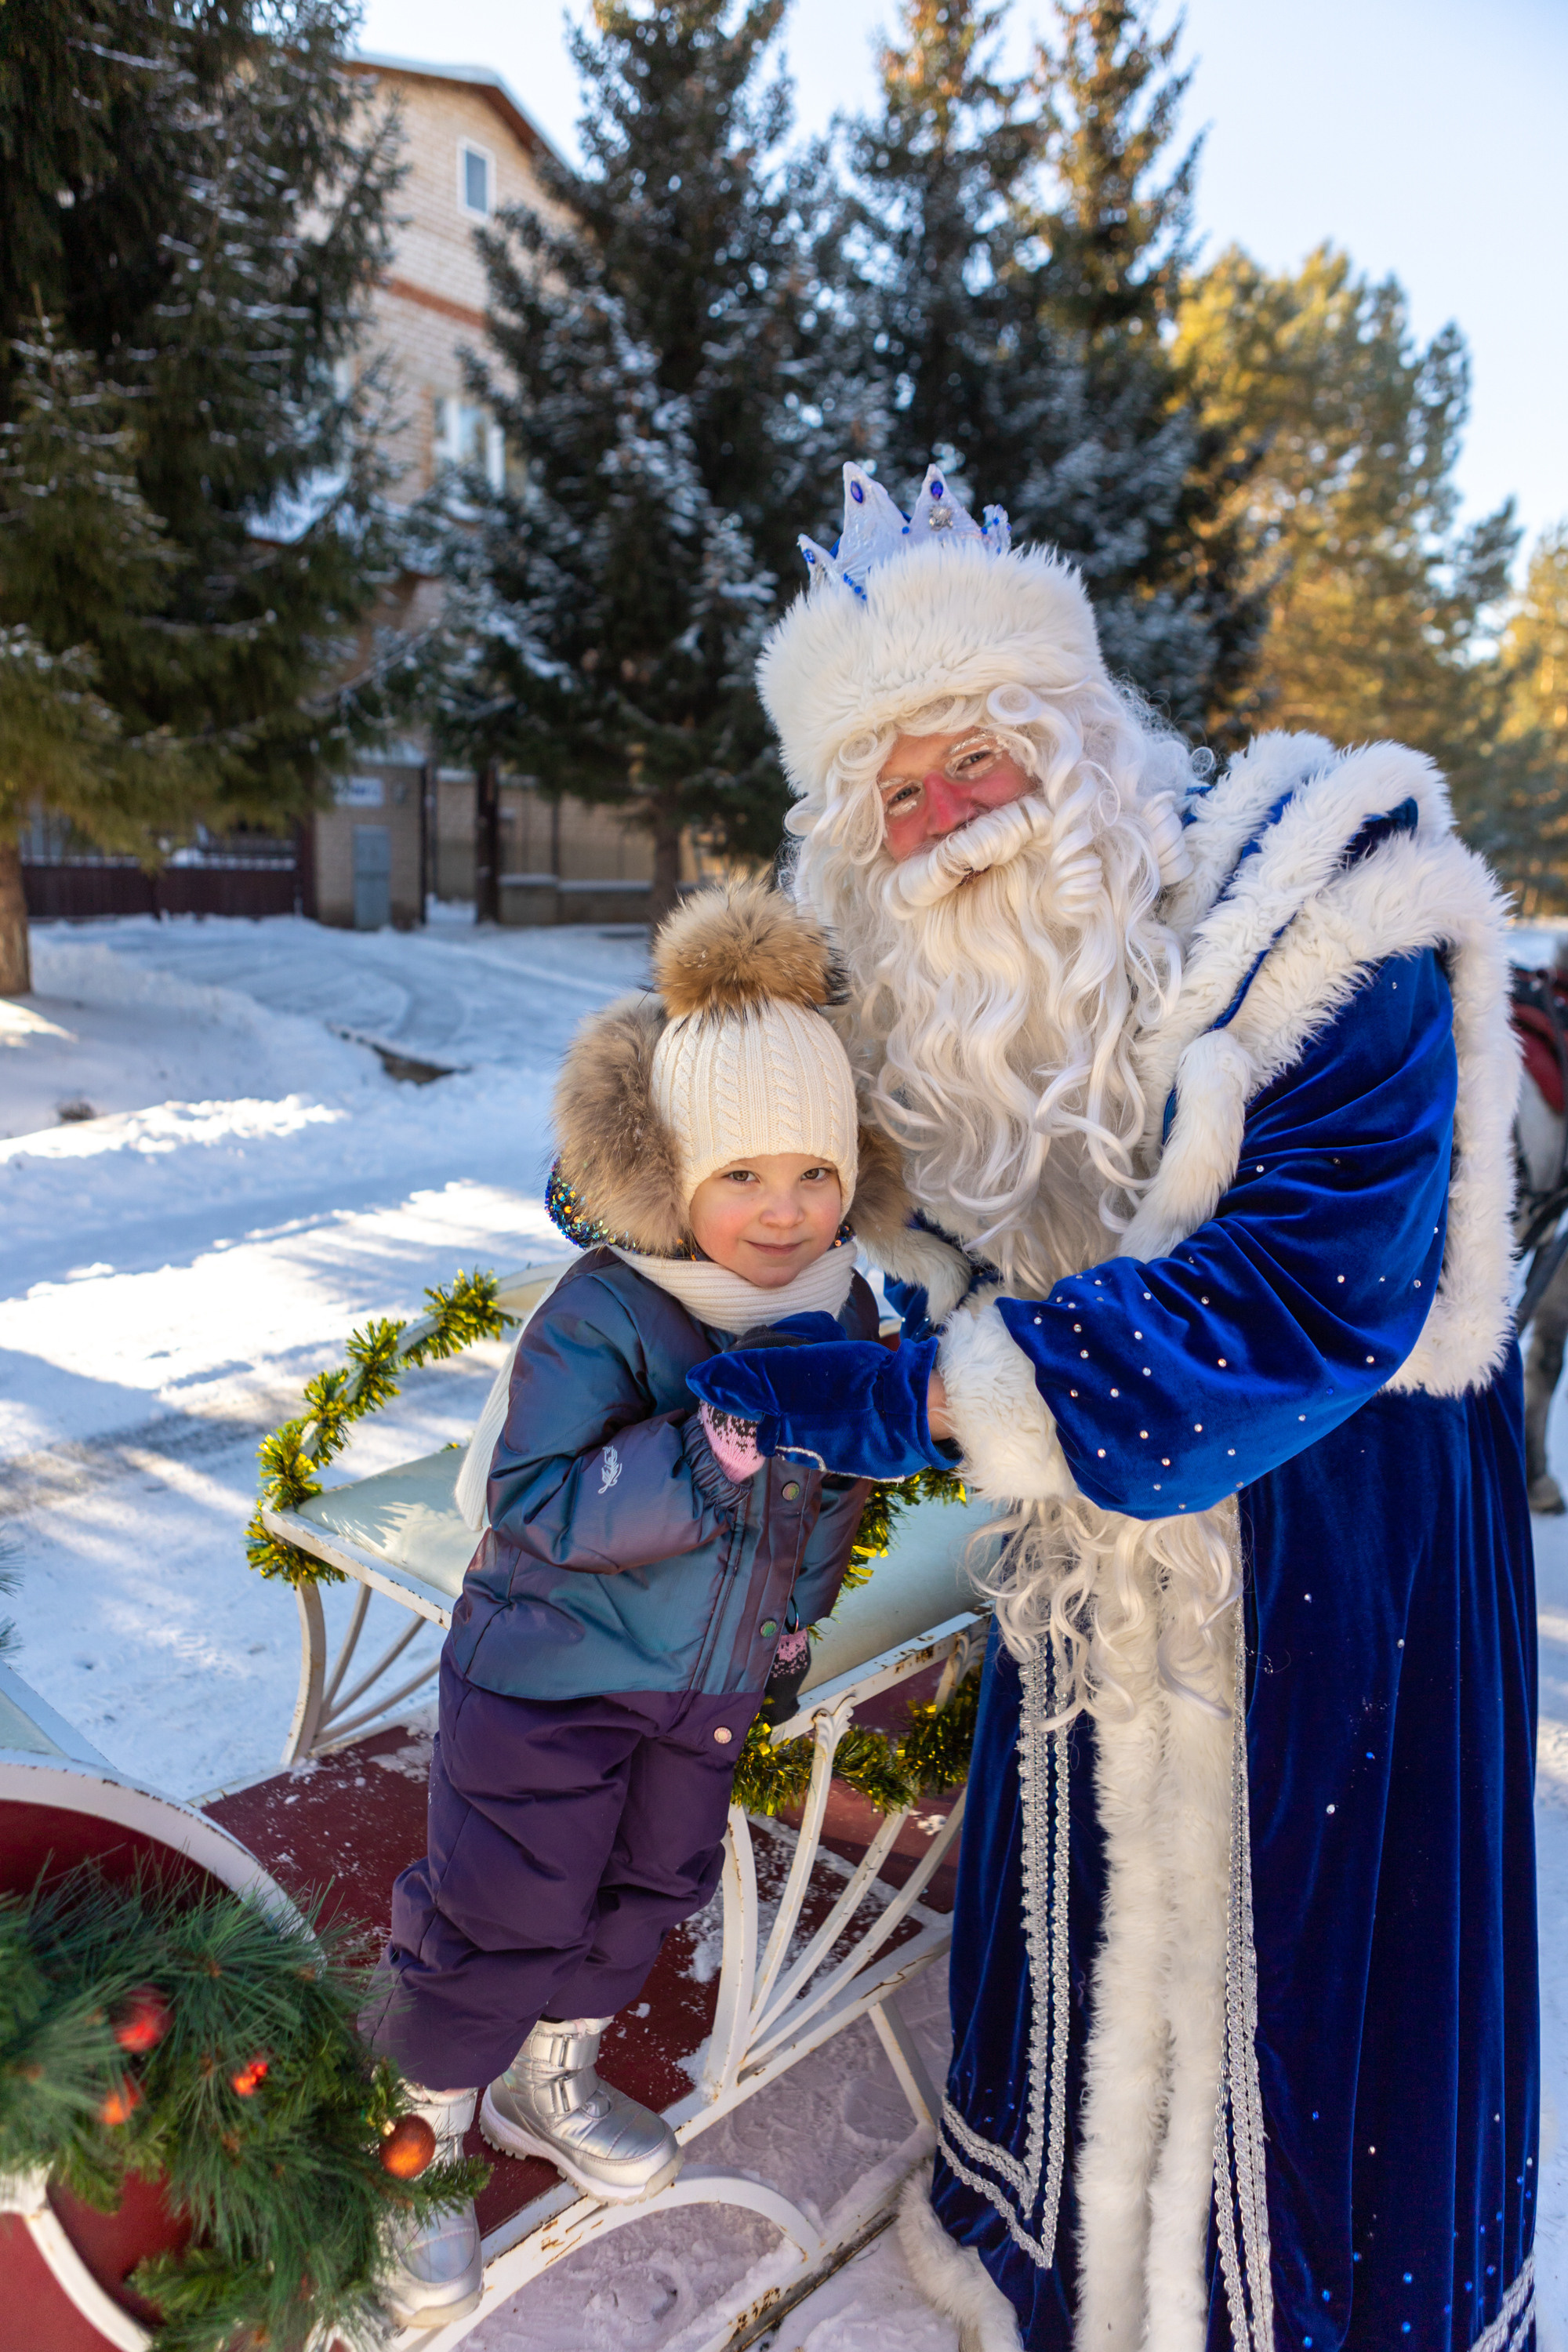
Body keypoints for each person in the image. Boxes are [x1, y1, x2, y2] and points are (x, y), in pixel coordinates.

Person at [688, 464, 1537, 2350]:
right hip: (1095, 1567)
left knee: (1304, 1997)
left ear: (1077, 747)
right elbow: (822, 1191)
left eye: (973, 765)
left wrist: (892, 1395)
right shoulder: (950, 1044)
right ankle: (1052, 2265)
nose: (942, 831)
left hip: (1346, 1569)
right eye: (891, 800)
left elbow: (1290, 1306)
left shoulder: (1334, 919)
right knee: (1084, 1925)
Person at [367, 882, 909, 2328]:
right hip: (547, 1680)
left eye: (814, 1173)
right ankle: (418, 2141)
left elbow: (830, 1496)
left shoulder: (843, 1314)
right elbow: (532, 1500)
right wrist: (701, 1453)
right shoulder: (608, 1310)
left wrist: (786, 1631)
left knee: (648, 1890)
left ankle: (555, 2076)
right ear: (678, 1177)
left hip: (707, 1687)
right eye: (743, 1178)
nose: (783, 1212)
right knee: (503, 1906)